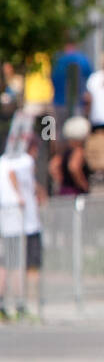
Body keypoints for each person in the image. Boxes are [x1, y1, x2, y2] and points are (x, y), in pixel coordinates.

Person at [0, 127, 44, 322]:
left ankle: (6, 304)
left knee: (7, 264)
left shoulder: (3, 161)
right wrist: (19, 195)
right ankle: (23, 304)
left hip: (10, 221)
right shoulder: (23, 161)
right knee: (21, 265)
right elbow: (12, 173)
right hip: (20, 222)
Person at [49, 115, 92, 196]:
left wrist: (63, 183)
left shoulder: (64, 151)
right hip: (75, 193)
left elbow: (53, 166)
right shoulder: (79, 151)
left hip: (64, 192)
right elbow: (74, 167)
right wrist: (84, 185)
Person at [51, 40, 91, 123]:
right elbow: (89, 80)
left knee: (60, 131)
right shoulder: (83, 59)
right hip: (78, 103)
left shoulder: (58, 59)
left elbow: (52, 79)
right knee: (76, 131)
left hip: (59, 102)